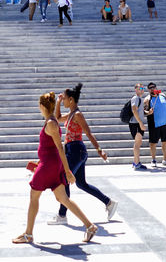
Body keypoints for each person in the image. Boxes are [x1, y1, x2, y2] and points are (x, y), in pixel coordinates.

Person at [12, 92, 97, 244]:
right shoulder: (51, 121)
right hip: (49, 164)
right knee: (63, 198)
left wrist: (67, 171)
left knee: (34, 197)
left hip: (49, 167)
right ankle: (89, 226)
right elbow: (50, 148)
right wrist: (40, 161)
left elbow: (60, 148)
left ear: (42, 106)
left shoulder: (51, 123)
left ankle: (28, 234)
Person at [48, 83, 117, 225]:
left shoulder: (77, 115)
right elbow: (57, 118)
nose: (64, 100)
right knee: (81, 183)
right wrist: (59, 102)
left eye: (65, 98)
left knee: (64, 178)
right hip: (73, 151)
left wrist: (100, 151)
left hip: (76, 150)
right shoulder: (71, 114)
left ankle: (62, 215)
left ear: (71, 100)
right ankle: (109, 202)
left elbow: (88, 133)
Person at [145, 82, 166, 167]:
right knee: (153, 142)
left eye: (154, 87)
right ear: (148, 89)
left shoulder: (163, 96)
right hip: (154, 123)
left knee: (165, 141)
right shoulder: (147, 99)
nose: (152, 88)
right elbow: (144, 112)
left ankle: (165, 159)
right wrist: (149, 112)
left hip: (165, 122)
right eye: (150, 87)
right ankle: (153, 160)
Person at [128, 83, 148, 170]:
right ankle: (136, 163)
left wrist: (148, 112)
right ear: (136, 90)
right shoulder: (135, 98)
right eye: (140, 88)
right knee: (137, 142)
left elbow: (139, 111)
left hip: (138, 123)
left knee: (138, 142)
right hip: (135, 123)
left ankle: (136, 161)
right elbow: (134, 110)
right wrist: (140, 123)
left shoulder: (140, 99)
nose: (142, 90)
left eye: (143, 88)